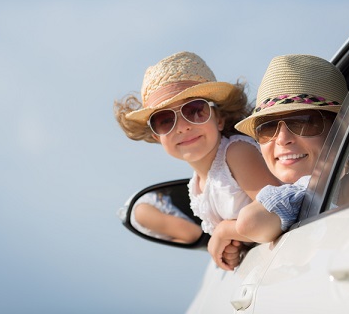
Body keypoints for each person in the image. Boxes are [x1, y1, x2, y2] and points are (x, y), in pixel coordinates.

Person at [114, 51, 280, 270]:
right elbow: (259, 230)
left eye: (194, 111)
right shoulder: (197, 186)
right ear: (157, 136)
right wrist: (237, 245)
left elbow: (279, 208)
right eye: (165, 120)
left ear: (219, 118)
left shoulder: (236, 152)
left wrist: (224, 232)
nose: (183, 126)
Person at [225, 54, 349, 250]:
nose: (282, 139)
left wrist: (225, 230)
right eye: (267, 128)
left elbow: (249, 222)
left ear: (340, 131)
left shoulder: (314, 189)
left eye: (303, 122)